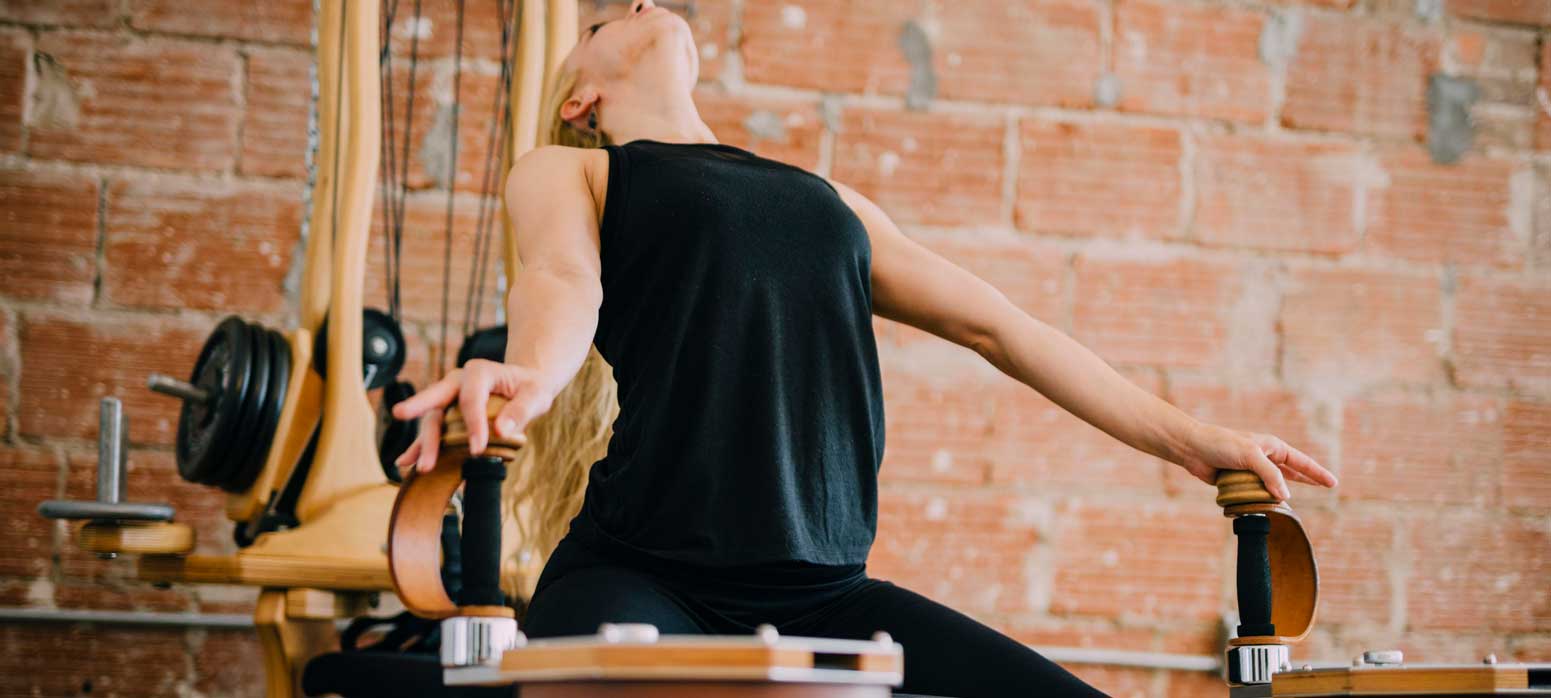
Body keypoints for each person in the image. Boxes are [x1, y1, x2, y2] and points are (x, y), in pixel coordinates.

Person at [390, 2, 1339, 695]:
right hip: (636, 574)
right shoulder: (576, 171)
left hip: (823, 594)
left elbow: (999, 326)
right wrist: (524, 381)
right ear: (582, 98)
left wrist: (1188, 439)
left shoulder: (827, 201)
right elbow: (565, 286)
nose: (634, 4)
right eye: (601, 22)